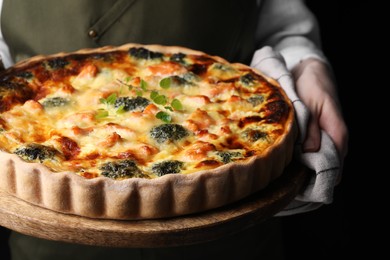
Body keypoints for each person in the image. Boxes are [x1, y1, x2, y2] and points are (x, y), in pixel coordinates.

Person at [0, 0, 348, 259]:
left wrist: (307, 67)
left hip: (228, 235)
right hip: (49, 242)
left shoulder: (254, 123)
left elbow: (284, 29)